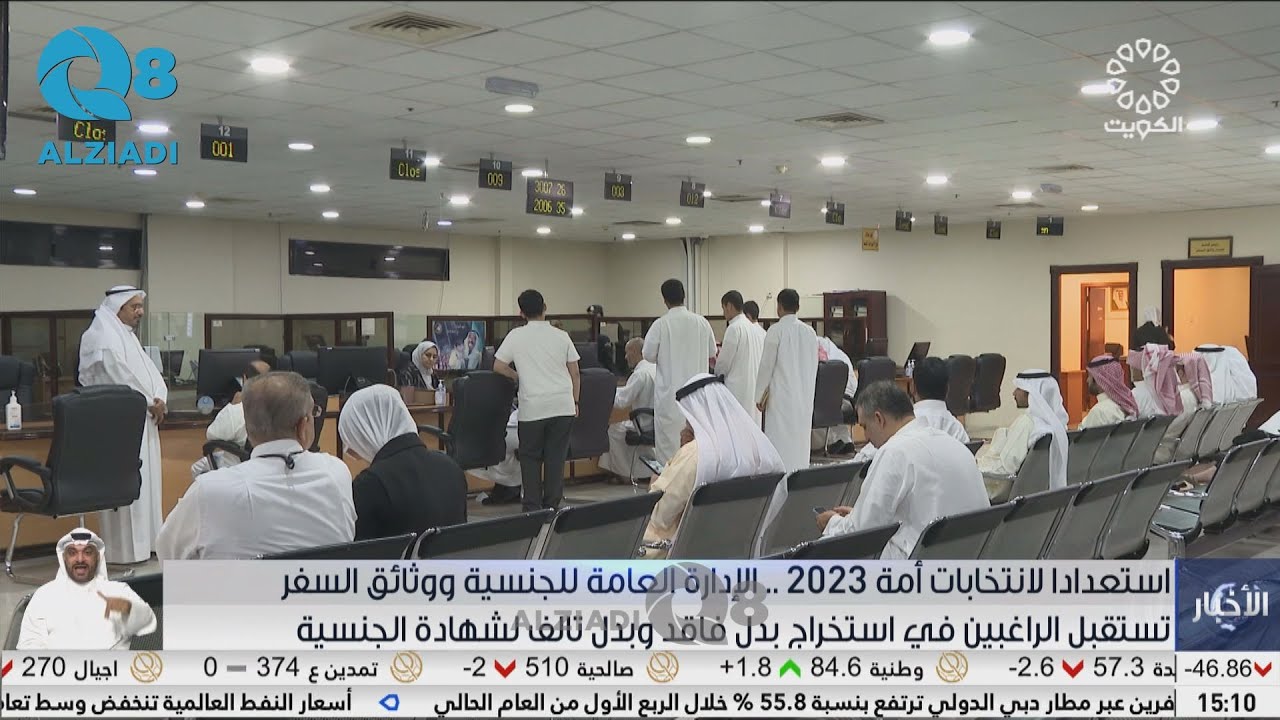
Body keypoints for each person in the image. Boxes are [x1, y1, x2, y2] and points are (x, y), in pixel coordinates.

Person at [156, 371, 355, 560]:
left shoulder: (208, 491)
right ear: (303, 427)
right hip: (322, 582)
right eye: (314, 413)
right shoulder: (336, 473)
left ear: (248, 427)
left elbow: (167, 554)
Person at [817, 382, 988, 559]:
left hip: (916, 568)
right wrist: (858, 514)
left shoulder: (894, 451)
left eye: (865, 427)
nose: (866, 437)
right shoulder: (956, 445)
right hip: (969, 561)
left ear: (879, 419)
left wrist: (831, 522)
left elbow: (860, 533)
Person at [641, 374, 784, 558]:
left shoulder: (694, 454)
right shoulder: (754, 448)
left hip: (686, 553)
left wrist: (658, 480)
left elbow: (660, 514)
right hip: (734, 551)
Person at [77, 285, 168, 564]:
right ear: (118, 307)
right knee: (125, 487)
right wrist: (149, 401)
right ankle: (125, 553)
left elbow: (152, 374)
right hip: (118, 425)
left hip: (143, 421)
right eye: (134, 306)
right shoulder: (100, 336)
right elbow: (119, 376)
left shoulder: (127, 336)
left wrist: (160, 399)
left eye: (141, 306)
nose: (140, 312)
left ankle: (149, 544)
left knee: (145, 487)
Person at [339, 385, 466, 540]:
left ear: (364, 433)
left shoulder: (370, 485)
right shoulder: (451, 468)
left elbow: (360, 550)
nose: (353, 454)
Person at [494, 289, 580, 512]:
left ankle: (532, 508)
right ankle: (552, 506)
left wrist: (517, 376)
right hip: (562, 405)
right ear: (545, 308)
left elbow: (498, 366)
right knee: (555, 458)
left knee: (530, 458)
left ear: (521, 313)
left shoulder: (515, 336)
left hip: (533, 408)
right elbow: (575, 373)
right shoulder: (562, 336)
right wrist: (575, 402)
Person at [17, 529, 157, 650]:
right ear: (64, 558)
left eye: (88, 552)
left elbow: (149, 622)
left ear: (98, 557)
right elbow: (28, 646)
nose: (80, 559)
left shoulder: (118, 590)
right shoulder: (44, 596)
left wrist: (128, 608)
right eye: (72, 553)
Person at [643, 279, 717, 463]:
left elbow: (648, 355)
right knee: (696, 450)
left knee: (669, 454)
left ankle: (669, 481)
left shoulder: (661, 324)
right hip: (697, 399)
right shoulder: (702, 323)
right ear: (684, 296)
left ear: (664, 299)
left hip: (670, 399)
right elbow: (712, 352)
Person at [755, 288, 817, 471]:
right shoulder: (810, 332)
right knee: (800, 443)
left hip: (781, 399)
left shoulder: (775, 330)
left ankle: (781, 479)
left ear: (779, 307)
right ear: (798, 306)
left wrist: (759, 397)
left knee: (780, 444)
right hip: (804, 397)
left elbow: (766, 366)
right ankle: (800, 475)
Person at [976, 370, 1069, 489]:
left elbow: (1006, 467)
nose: (1014, 393)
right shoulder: (1058, 426)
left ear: (1031, 393)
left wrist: (977, 466)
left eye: (1018, 388)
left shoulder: (1027, 422)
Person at [190, 358, 271, 479]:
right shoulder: (278, 406)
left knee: (196, 468)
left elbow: (212, 434)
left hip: (239, 465)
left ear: (244, 379)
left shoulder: (237, 408)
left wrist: (232, 405)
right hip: (268, 465)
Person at [599, 338, 658, 481]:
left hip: (644, 422)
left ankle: (626, 474)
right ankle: (642, 472)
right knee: (621, 428)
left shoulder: (640, 374)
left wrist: (603, 393)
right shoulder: (656, 369)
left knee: (613, 430)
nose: (625, 357)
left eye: (627, 352)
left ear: (636, 352)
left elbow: (622, 401)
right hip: (657, 422)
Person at [715, 290, 764, 426]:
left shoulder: (734, 328)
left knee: (737, 430)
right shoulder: (753, 328)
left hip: (737, 392)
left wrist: (716, 375)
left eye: (723, 308)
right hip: (753, 391)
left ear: (729, 306)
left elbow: (723, 364)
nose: (723, 313)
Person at [810, 336, 858, 455]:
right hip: (848, 401)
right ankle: (840, 441)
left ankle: (831, 443)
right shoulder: (837, 354)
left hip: (832, 403)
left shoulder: (821, 355)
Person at [1080, 354, 1138, 429]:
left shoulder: (1099, 411)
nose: (1087, 380)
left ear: (1099, 380)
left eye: (1090, 376)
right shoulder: (1128, 405)